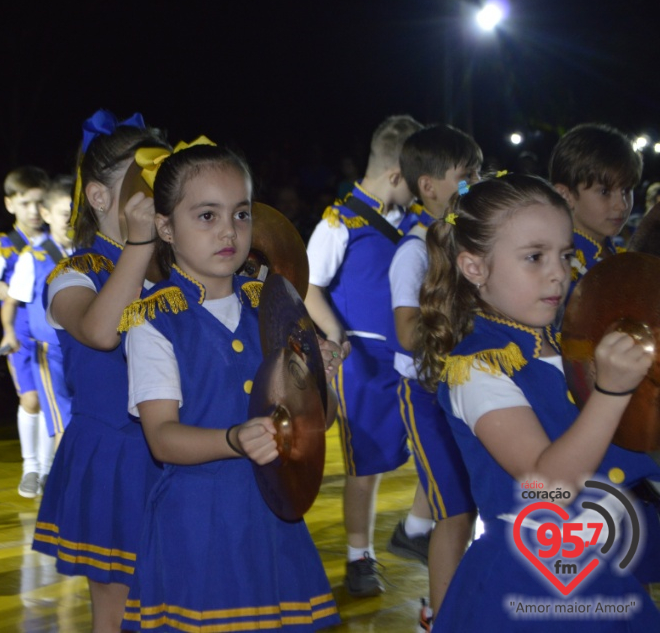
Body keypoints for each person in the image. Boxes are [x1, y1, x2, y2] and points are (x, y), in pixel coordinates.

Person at [415, 173, 660, 631]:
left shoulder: (572, 342)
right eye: (534, 257)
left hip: (605, 563)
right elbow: (548, 484)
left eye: (565, 255)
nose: (558, 272)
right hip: (533, 581)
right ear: (474, 267)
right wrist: (611, 392)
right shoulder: (480, 367)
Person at [120, 141, 342, 631]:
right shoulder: (154, 319)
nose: (229, 230)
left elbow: (316, 424)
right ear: (165, 228)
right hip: (199, 527)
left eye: (241, 214)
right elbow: (162, 438)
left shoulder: (275, 305)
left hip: (274, 518)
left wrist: (323, 381)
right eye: (206, 216)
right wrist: (233, 439)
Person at [30, 109, 169, 633]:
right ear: (99, 198)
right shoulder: (74, 273)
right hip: (116, 455)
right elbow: (100, 331)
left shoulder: (179, 272)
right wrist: (138, 246)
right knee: (118, 610)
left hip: (177, 448)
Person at [303, 114, 432, 597]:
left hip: (414, 360)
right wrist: (335, 333)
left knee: (440, 447)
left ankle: (416, 528)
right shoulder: (339, 223)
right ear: (397, 175)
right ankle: (360, 558)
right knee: (366, 468)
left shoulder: (417, 223)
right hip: (364, 365)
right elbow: (308, 287)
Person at [391, 124, 481, 626]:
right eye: (466, 177)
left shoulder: (463, 239)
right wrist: (458, 324)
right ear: (429, 186)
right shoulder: (414, 251)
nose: (475, 184)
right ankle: (442, 617)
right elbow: (406, 334)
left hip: (458, 387)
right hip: (423, 393)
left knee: (468, 504)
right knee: (455, 509)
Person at [0, 166, 49, 497]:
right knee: (30, 399)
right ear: (10, 205)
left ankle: (47, 471)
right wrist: (1, 288)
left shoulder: (56, 241)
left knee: (51, 401)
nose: (33, 211)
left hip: (52, 334)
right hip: (19, 334)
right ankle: (30, 466)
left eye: (38, 203)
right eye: (25, 204)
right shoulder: (4, 244)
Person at [3, 177, 75, 493]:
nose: (72, 220)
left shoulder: (90, 253)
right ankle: (52, 480)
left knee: (78, 418)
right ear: (46, 214)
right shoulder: (33, 258)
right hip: (50, 351)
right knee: (61, 420)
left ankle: (57, 478)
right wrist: (8, 331)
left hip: (83, 349)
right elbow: (11, 302)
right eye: (65, 213)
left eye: (77, 212)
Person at [548, 123, 641, 296]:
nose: (622, 205)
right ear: (565, 195)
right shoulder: (558, 265)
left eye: (626, 190)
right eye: (604, 192)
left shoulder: (613, 250)